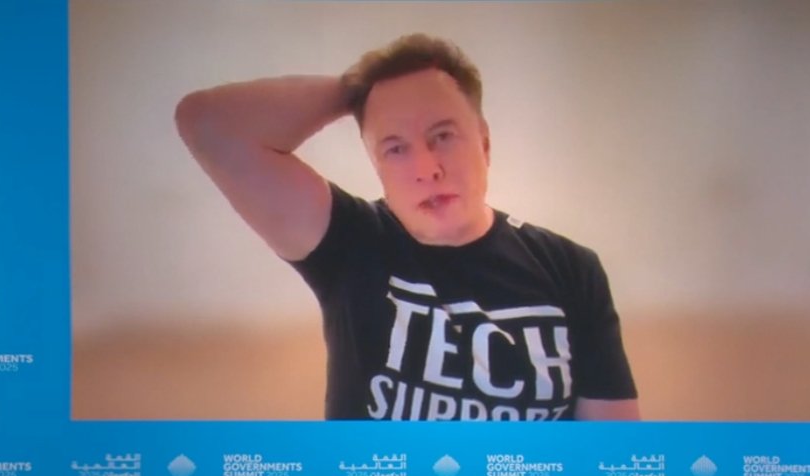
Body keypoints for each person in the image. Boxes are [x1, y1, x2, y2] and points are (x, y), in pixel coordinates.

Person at [175, 33, 639, 421]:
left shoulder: (571, 268)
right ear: (376, 166)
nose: (426, 169)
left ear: (484, 143)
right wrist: (356, 89)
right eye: (395, 148)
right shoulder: (350, 240)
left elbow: (611, 459)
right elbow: (206, 124)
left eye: (443, 136)